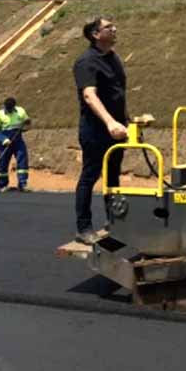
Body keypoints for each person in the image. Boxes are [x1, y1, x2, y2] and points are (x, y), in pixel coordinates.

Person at [72, 15, 129, 244]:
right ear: (96, 34)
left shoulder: (113, 58)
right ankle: (83, 228)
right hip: (96, 130)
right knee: (89, 176)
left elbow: (117, 93)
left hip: (116, 128)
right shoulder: (86, 62)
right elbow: (89, 95)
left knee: (113, 175)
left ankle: (114, 221)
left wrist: (127, 119)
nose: (114, 29)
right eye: (108, 27)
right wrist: (109, 122)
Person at [0, 97, 31, 192]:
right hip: (4, 143)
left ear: (14, 107)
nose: (9, 110)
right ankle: (3, 185)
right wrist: (4, 140)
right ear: (4, 106)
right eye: (7, 108)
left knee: (22, 160)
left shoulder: (20, 111)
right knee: (3, 163)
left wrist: (27, 123)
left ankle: (22, 184)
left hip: (18, 141)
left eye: (11, 109)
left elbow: (27, 123)